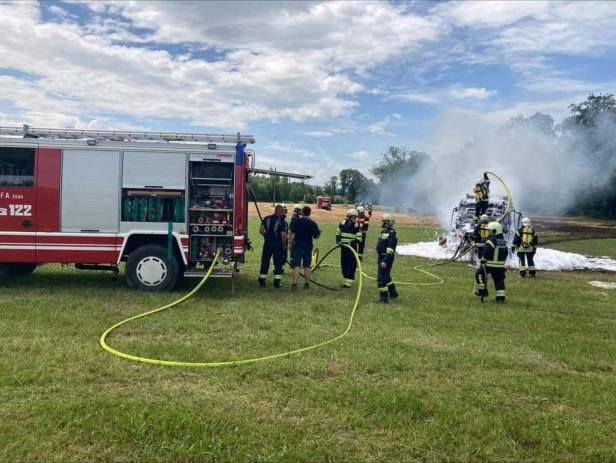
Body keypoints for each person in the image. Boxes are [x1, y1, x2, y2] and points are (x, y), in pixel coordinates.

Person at [474, 221, 508, 303]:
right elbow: (506, 253)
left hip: (490, 265)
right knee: (499, 281)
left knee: (479, 273)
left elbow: (487, 252)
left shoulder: (490, 241)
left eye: (489, 230)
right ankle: (500, 298)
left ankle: (482, 291)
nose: (488, 232)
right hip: (500, 266)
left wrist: (483, 260)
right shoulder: (503, 242)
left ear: (494, 231)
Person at [289, 206, 321, 290]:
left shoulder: (296, 221)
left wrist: (290, 244)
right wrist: (319, 232)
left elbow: (292, 234)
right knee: (307, 266)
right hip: (308, 247)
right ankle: (307, 284)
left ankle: (294, 284)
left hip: (297, 246)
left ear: (302, 212)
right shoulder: (313, 223)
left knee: (296, 266)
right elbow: (316, 236)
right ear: (309, 213)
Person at [258, 204, 288, 288]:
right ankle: (277, 283)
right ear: (280, 211)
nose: (283, 213)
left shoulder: (267, 218)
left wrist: (266, 236)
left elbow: (261, 230)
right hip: (277, 245)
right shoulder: (281, 220)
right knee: (278, 263)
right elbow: (282, 235)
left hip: (267, 244)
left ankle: (262, 281)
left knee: (265, 261)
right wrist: (284, 244)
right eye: (283, 211)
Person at [336, 209, 362, 288]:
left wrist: (351, 243)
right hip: (343, 248)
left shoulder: (357, 226)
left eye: (355, 217)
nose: (354, 218)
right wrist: (338, 241)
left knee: (351, 265)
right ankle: (346, 279)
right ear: (348, 217)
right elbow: (338, 233)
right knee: (344, 264)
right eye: (353, 217)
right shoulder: (342, 223)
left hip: (352, 249)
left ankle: (348, 283)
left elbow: (359, 238)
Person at [376, 213, 398, 303]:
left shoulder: (391, 233)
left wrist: (385, 261)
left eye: (382, 220)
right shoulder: (385, 231)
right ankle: (393, 293)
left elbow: (390, 249)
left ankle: (383, 298)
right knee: (386, 276)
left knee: (381, 278)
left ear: (387, 222)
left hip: (386, 258)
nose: (380, 221)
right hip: (382, 257)